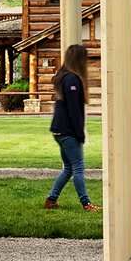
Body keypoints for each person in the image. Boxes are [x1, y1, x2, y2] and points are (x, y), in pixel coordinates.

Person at [44, 43, 95, 211]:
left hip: (59, 130)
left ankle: (51, 199)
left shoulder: (62, 76)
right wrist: (80, 134)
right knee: (78, 167)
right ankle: (86, 203)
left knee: (68, 168)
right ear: (79, 60)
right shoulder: (72, 79)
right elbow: (74, 110)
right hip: (67, 131)